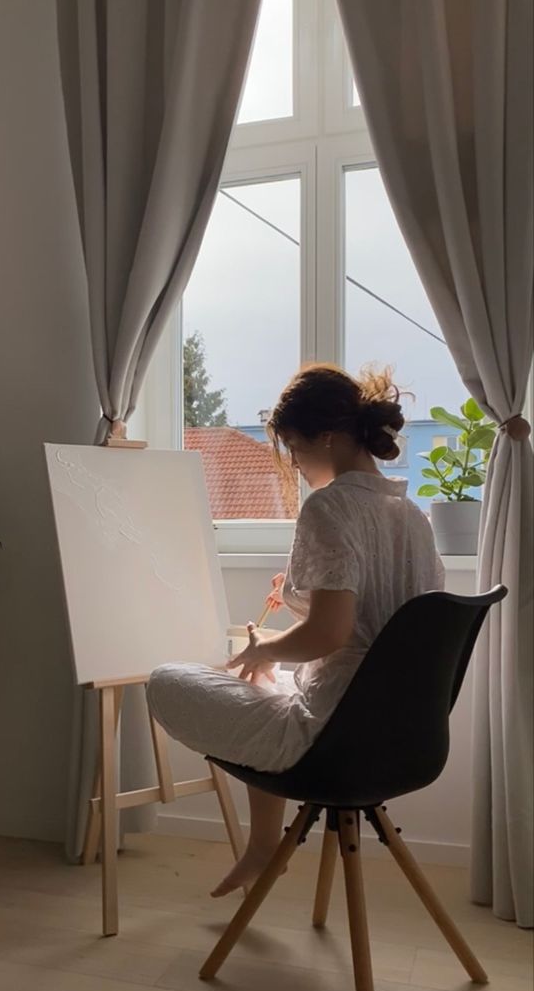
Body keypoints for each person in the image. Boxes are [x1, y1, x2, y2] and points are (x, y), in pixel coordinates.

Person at [147, 363, 445, 897]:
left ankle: (264, 849)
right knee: (264, 681)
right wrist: (283, 637)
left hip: (335, 735)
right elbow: (378, 625)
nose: (296, 465)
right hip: (406, 733)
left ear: (325, 438)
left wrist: (263, 645)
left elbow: (328, 635)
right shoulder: (413, 516)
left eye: (293, 448)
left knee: (166, 679)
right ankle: (264, 848)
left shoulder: (330, 507)